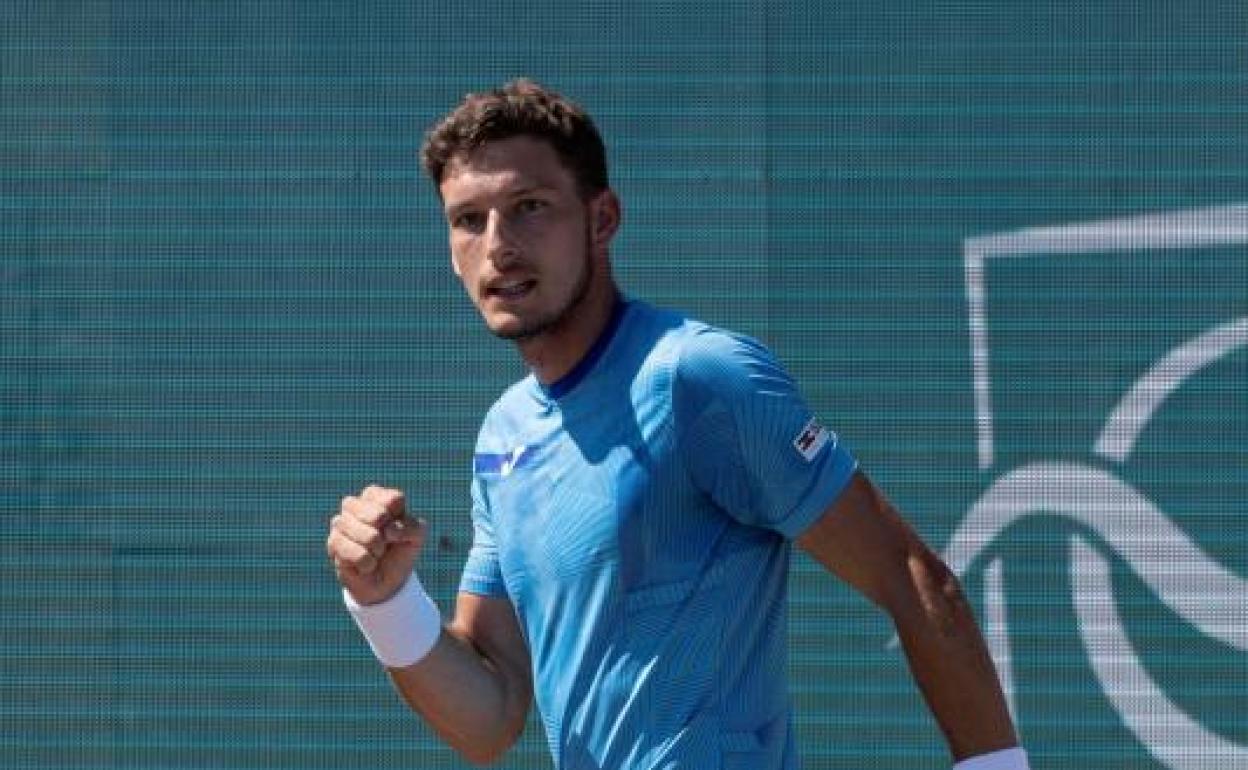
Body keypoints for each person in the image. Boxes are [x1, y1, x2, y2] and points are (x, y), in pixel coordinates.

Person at [326, 79, 1029, 770]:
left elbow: (911, 578)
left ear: (602, 220)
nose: (498, 244)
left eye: (530, 206)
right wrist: (385, 600)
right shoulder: (503, 434)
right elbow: (489, 720)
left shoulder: (700, 376)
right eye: (468, 219)